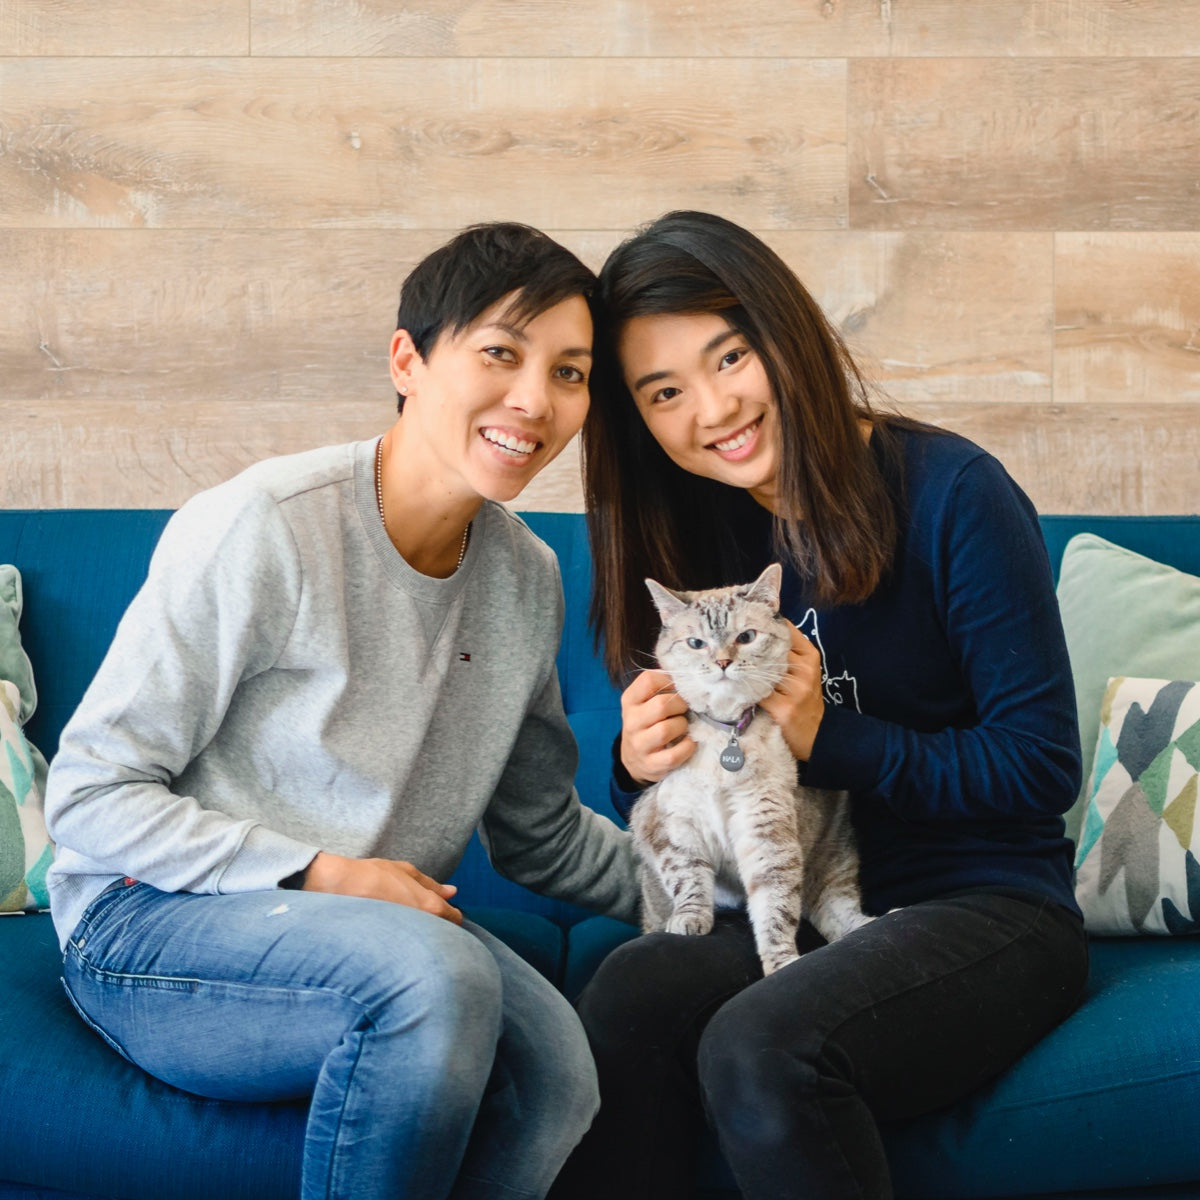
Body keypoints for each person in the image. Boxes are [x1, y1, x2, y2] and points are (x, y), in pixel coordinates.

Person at [44, 222, 639, 1200]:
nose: (535, 401)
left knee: (558, 1074)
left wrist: (731, 899)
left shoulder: (528, 578)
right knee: (435, 984)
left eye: (570, 374)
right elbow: (91, 795)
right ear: (408, 359)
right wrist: (323, 871)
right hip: (146, 923)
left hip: (369, 930)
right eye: (500, 352)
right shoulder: (264, 526)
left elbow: (542, 840)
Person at [549, 211, 1089, 1200]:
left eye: (729, 356)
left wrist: (831, 738)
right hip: (777, 897)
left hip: (983, 903)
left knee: (764, 1043)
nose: (712, 409)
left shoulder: (954, 494)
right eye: (665, 392)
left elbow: (1041, 768)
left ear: (782, 336)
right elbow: (678, 785)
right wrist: (638, 757)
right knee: (627, 989)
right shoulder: (694, 535)